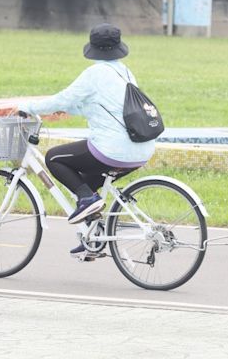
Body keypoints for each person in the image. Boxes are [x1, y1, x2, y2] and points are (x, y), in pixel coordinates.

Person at [14, 23, 155, 258]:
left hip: (113, 150)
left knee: (54, 158)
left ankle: (88, 200)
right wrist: (69, 109)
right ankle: (94, 236)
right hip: (141, 150)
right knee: (85, 185)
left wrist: (27, 106)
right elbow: (102, 106)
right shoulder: (125, 72)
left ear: (93, 48)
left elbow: (63, 97)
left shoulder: (94, 74)